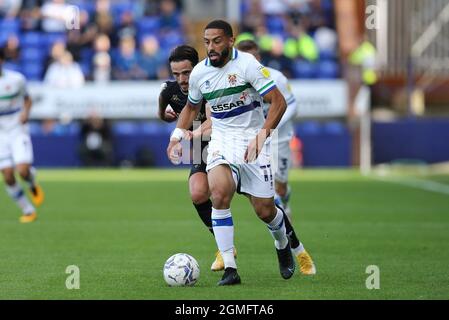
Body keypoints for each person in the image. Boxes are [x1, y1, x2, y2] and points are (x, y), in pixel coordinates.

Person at [167, 20, 315, 286]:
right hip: (222, 142)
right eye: (207, 42)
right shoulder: (201, 72)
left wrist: (262, 136)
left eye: (217, 41)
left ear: (231, 40)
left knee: (265, 210)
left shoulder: (248, 65)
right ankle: (230, 268)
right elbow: (191, 107)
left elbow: (278, 103)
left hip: (253, 143)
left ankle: (282, 243)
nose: (211, 47)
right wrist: (176, 136)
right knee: (220, 194)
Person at [159, 45, 236, 272]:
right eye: (176, 74)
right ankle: (225, 249)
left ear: (197, 68)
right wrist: (166, 117)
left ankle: (289, 241)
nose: (182, 79)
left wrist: (189, 134)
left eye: (186, 73)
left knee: (261, 206)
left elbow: (212, 122)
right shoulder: (168, 91)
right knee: (198, 192)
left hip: (225, 139)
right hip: (201, 145)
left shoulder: (210, 83)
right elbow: (161, 114)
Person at [236, 39, 297, 220]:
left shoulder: (276, 77)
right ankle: (279, 221)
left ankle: (284, 201)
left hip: (278, 138)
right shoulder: (235, 80)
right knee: (264, 188)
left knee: (281, 185)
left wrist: (271, 125)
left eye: (253, 56)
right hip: (252, 139)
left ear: (259, 56)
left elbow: (292, 105)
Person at [0, 49, 44, 223]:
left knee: (22, 170)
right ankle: (28, 210)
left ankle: (32, 182)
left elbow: (28, 99)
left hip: (17, 128)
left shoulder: (16, 79)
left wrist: (26, 112)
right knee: (8, 174)